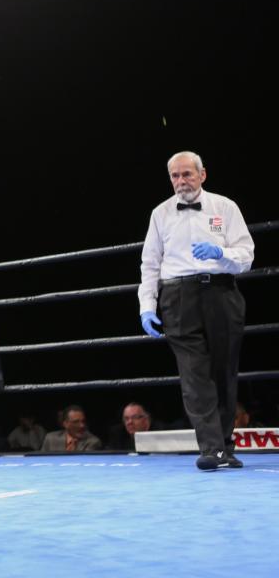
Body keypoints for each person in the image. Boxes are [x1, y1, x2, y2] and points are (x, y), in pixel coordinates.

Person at [138, 151, 254, 471]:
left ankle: (224, 446)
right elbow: (150, 264)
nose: (181, 181)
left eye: (187, 174)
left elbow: (246, 255)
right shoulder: (160, 214)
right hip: (177, 296)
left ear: (202, 175)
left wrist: (222, 253)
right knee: (193, 373)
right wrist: (147, 306)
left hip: (221, 292)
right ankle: (212, 448)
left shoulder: (225, 207)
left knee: (224, 372)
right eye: (175, 176)